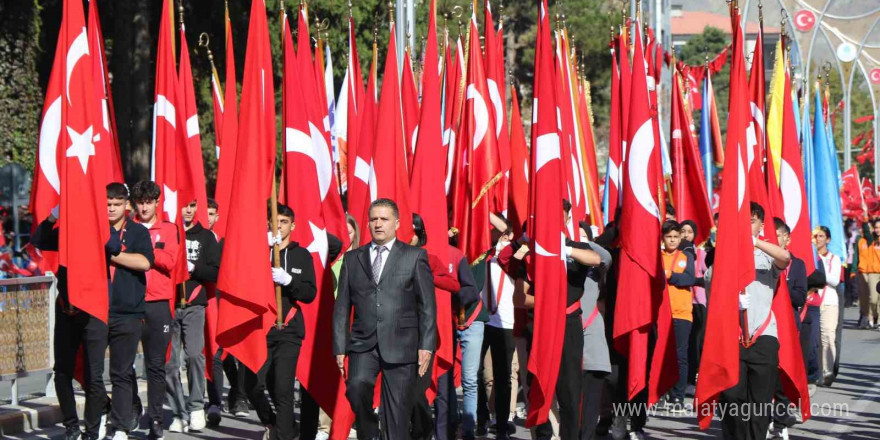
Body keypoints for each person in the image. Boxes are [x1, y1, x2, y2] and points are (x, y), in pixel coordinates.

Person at [333, 198, 437, 440]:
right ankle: (369, 431)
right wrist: (339, 346)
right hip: (362, 343)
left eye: (384, 219)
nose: (378, 224)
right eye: (373, 219)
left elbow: (428, 306)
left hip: (402, 344)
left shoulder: (414, 256)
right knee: (357, 388)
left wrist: (427, 345)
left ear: (397, 223)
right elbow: (341, 307)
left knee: (397, 415)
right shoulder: (352, 259)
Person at [711, 202, 791, 440]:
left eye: (752, 221)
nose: (747, 225)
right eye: (742, 221)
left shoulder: (766, 255)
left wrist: (753, 242)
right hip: (732, 336)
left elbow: (784, 258)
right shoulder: (724, 254)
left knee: (760, 403)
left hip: (762, 334)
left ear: (761, 225)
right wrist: (730, 299)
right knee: (732, 396)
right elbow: (712, 287)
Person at [245, 203, 317, 440]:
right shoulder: (259, 251)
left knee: (283, 389)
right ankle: (274, 423)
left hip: (288, 330)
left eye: (284, 221)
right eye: (274, 221)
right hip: (260, 328)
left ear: (292, 225)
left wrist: (289, 281)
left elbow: (309, 293)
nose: (279, 225)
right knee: (252, 385)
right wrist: (261, 252)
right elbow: (242, 277)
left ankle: (284, 436)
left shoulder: (301, 255)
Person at [129, 181, 181, 440]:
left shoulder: (169, 229)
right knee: (123, 363)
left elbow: (170, 261)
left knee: (156, 366)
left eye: (149, 202)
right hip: (129, 303)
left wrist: (144, 251)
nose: (145, 207)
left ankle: (156, 419)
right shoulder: (127, 227)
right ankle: (132, 405)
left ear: (157, 202)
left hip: (158, 303)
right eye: (140, 202)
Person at [103, 184, 155, 440]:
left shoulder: (137, 232)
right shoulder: (94, 229)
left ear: (126, 205)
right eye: (107, 203)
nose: (111, 208)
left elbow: (145, 262)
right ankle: (102, 412)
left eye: (116, 203)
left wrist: (113, 254)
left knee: (121, 372)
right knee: (86, 369)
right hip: (96, 310)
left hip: (127, 313)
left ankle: (121, 425)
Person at [164, 200, 221, 432]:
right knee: (169, 362)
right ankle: (178, 411)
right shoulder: (168, 231)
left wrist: (194, 268)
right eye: (184, 205)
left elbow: (216, 270)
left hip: (194, 305)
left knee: (195, 355)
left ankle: (197, 405)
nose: (187, 210)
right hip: (167, 305)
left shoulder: (205, 237)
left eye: (192, 205)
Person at [408, 213, 461, 440]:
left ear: (419, 235)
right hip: (393, 336)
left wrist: (428, 275)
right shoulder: (388, 258)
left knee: (418, 394)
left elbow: (453, 284)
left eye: (412, 232)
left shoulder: (428, 258)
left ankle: (423, 432)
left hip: (423, 338)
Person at [477, 219, 517, 438]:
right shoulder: (484, 254)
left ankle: (502, 424)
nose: (502, 238)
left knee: (503, 375)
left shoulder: (512, 256)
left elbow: (508, 232)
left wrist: (508, 242)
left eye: (506, 236)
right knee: (474, 372)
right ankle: (481, 417)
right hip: (482, 319)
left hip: (505, 322)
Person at [769, 218, 807, 438]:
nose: (776, 239)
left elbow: (800, 296)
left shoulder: (798, 264)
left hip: (789, 326)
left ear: (787, 239)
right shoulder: (761, 261)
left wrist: (780, 285)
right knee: (766, 375)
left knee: (784, 375)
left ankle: (781, 421)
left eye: (779, 235)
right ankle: (763, 420)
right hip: (765, 326)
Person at [577, 223, 613, 440]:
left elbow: (606, 257)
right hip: (568, 340)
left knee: (591, 399)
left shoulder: (595, 270)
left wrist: (579, 242)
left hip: (592, 341)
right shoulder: (564, 266)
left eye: (584, 236)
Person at [660, 220, 695, 412]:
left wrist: (670, 275)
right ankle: (661, 392)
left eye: (675, 237)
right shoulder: (657, 256)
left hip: (681, 313)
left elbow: (689, 278)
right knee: (661, 355)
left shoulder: (686, 256)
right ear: (663, 238)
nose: (672, 240)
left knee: (680, 355)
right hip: (661, 313)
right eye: (669, 237)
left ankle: (678, 396)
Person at [814, 226, 841, 385]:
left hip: (829, 302)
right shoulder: (809, 256)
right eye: (816, 236)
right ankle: (816, 371)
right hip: (812, 300)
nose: (818, 239)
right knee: (815, 339)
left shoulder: (833, 259)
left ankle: (828, 372)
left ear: (828, 239)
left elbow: (835, 280)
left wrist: (820, 268)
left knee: (828, 337)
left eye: (822, 236)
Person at [856, 218, 880, 328]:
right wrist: (865, 215)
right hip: (873, 273)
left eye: (879, 228)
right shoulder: (871, 240)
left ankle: (878, 320)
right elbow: (866, 229)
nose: (877, 230)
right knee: (873, 299)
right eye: (876, 228)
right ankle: (872, 315)